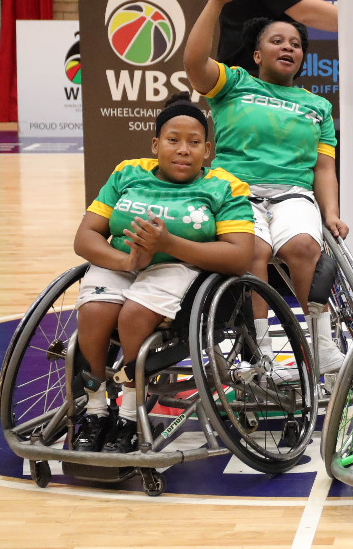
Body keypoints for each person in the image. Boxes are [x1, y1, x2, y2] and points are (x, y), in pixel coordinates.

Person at [70, 93, 254, 453]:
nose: (183, 149)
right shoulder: (127, 172)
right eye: (173, 140)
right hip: (123, 261)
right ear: (156, 144)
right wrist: (127, 262)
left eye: (194, 142)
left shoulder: (225, 187)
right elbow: (85, 237)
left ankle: (126, 410)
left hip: (179, 266)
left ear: (207, 150)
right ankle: (94, 408)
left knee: (134, 315)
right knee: (94, 311)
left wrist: (167, 243)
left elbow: (240, 257)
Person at [185, 0, 349, 375]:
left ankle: (322, 347)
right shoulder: (234, 84)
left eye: (295, 44)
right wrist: (215, 3)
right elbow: (193, 63)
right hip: (235, 191)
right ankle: (260, 352)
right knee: (252, 253)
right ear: (257, 54)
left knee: (305, 248)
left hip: (293, 192)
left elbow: (324, 168)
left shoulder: (317, 106)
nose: (288, 47)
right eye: (277, 41)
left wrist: (330, 213)